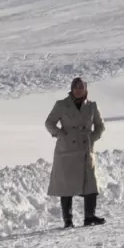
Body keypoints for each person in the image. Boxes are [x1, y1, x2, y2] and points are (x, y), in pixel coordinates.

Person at [45, 77, 106, 228]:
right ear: (72, 89)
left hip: (85, 148)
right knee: (66, 186)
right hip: (66, 150)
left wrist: (92, 137)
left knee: (91, 183)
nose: (78, 90)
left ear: (85, 89)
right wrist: (60, 134)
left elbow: (100, 125)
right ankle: (68, 220)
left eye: (81, 88)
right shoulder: (61, 105)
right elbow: (49, 123)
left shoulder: (92, 106)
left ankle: (89, 216)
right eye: (76, 87)